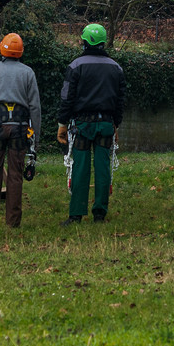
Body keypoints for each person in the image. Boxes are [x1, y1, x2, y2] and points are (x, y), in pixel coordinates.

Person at [56, 23, 124, 225]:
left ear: (84, 41)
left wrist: (62, 123)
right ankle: (100, 214)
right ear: (103, 42)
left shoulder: (76, 66)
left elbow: (66, 97)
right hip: (106, 124)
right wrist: (116, 125)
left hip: (82, 125)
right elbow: (120, 100)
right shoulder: (116, 67)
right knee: (103, 167)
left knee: (80, 168)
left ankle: (76, 214)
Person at [0, 32, 41, 228]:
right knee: (15, 174)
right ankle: (13, 222)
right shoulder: (28, 73)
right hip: (20, 129)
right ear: (20, 51)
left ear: (2, 49)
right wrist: (35, 139)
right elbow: (35, 108)